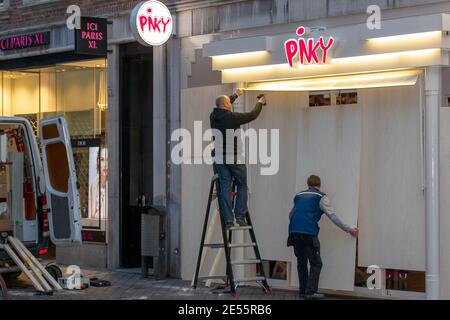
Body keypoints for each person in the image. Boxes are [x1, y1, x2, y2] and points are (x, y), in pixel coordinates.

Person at [288, 175, 359, 300]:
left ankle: (303, 292)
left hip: (294, 232)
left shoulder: (298, 196)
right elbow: (333, 216)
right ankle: (310, 292)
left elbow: (291, 214)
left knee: (301, 262)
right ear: (319, 185)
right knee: (316, 263)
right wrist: (349, 229)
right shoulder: (321, 197)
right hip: (308, 233)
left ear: (308, 184)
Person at [210, 89, 267, 228]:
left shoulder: (213, 116)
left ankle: (228, 220)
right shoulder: (232, 117)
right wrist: (260, 102)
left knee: (225, 188)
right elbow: (252, 115)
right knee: (242, 185)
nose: (231, 103)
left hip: (220, 158)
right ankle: (240, 216)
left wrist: (235, 95)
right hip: (234, 157)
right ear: (225, 104)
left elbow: (222, 103)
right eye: (229, 102)